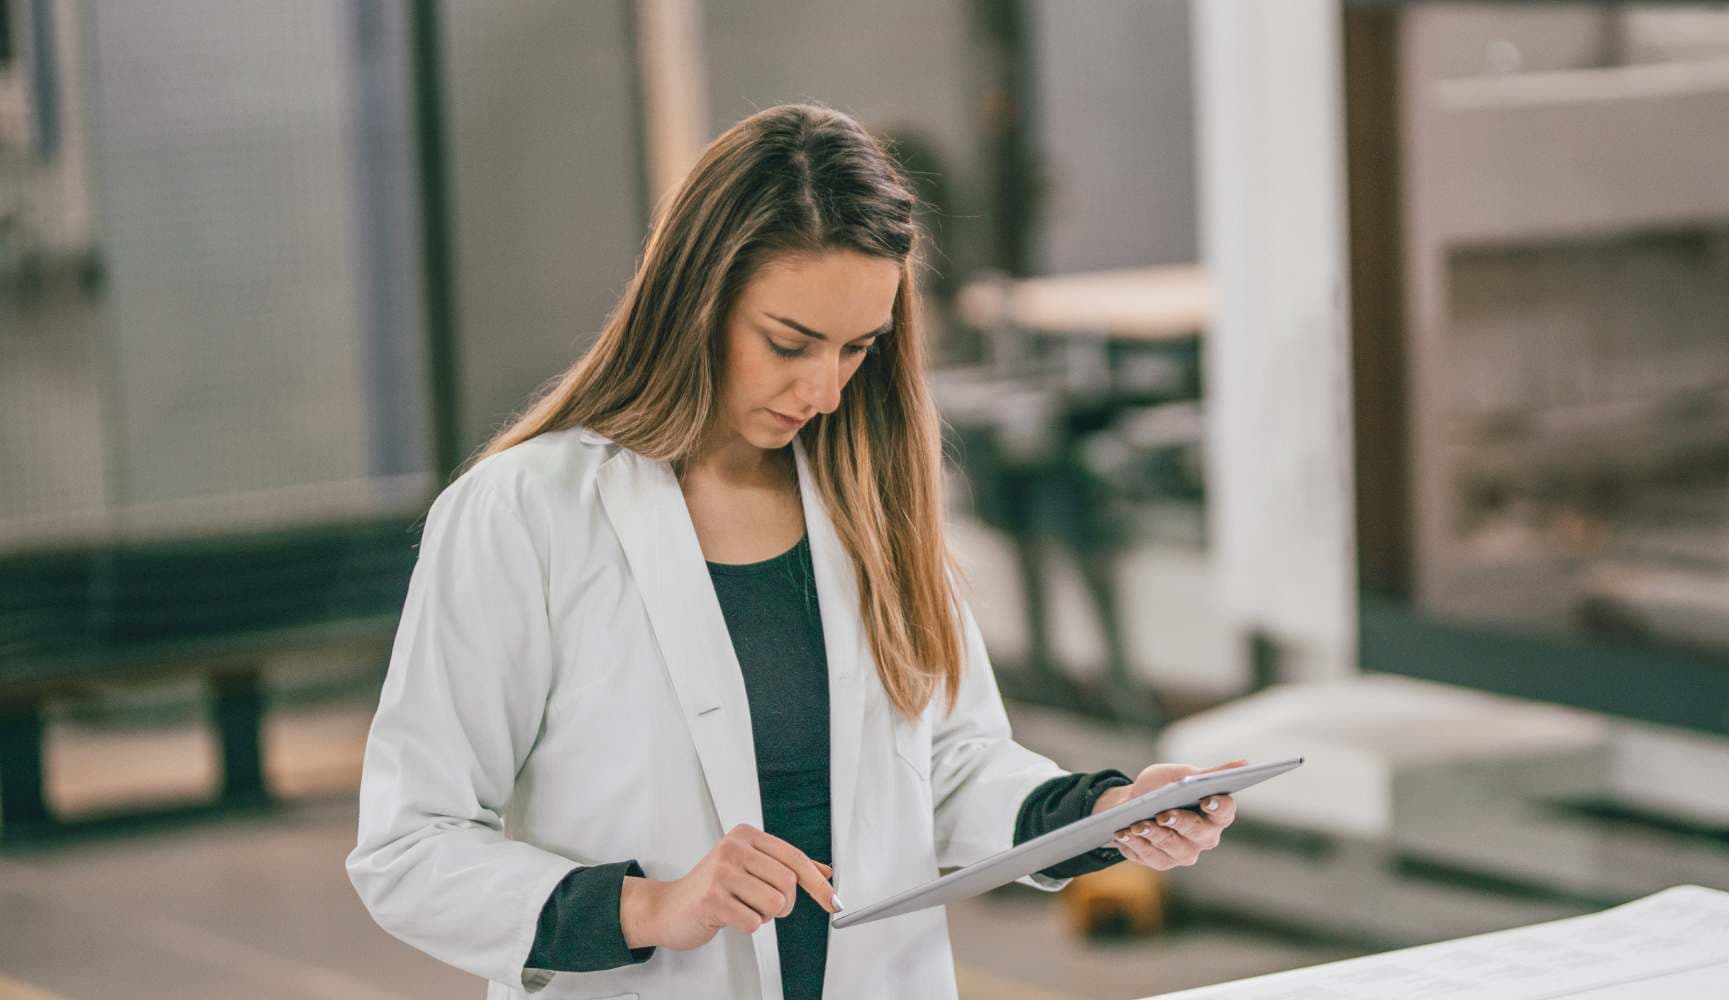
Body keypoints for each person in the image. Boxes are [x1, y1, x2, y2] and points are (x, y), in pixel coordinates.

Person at [346, 103, 1242, 1000]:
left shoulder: (871, 500)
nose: (821, 389)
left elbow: (950, 768)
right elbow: (409, 846)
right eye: (788, 343)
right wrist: (649, 907)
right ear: (696, 299)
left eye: (858, 349)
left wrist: (1101, 814)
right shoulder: (525, 515)